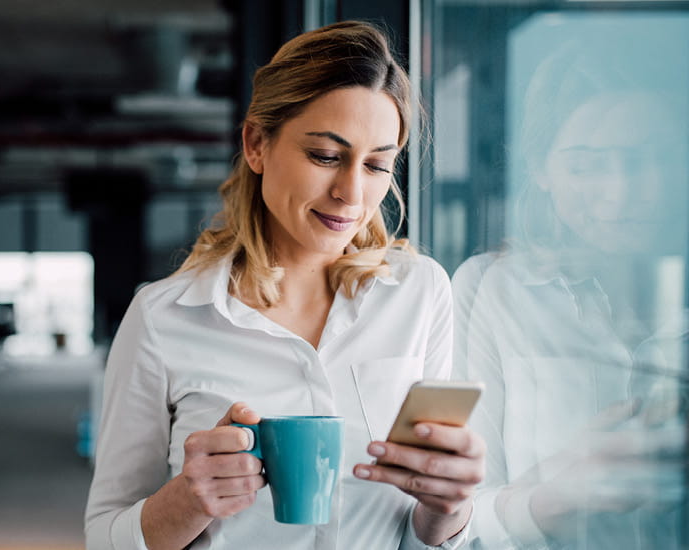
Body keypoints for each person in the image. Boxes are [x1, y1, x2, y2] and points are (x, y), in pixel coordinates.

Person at [85, 21, 485, 550]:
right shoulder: (163, 318)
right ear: (256, 144)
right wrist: (189, 498)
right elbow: (104, 535)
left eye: (377, 165)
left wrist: (449, 506)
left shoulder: (419, 292)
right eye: (325, 156)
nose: (351, 193)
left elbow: (423, 533)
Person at [451, 19, 688, 549]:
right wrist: (562, 492)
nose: (621, 193)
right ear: (540, 170)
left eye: (649, 159)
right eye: (586, 167)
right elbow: (455, 524)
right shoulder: (492, 291)